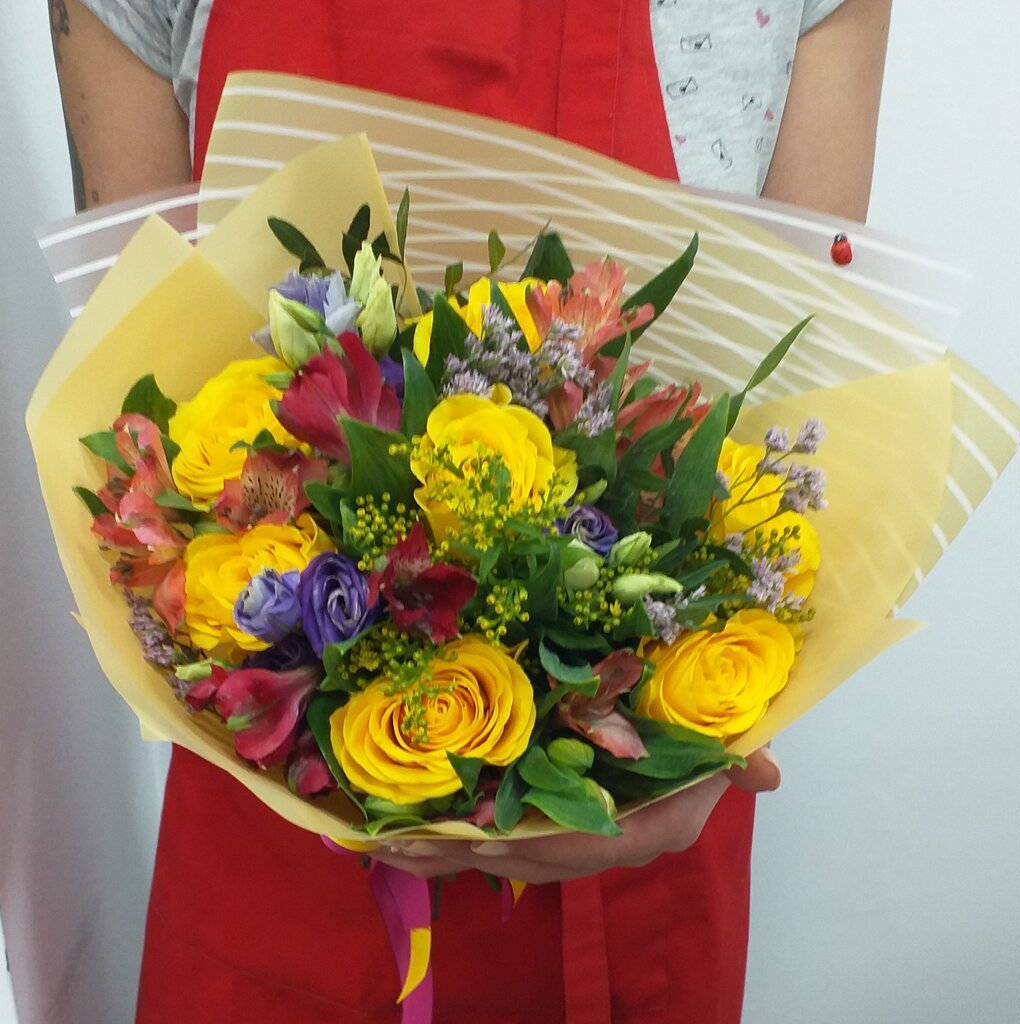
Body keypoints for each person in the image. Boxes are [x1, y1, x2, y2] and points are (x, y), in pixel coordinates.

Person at [49, 2, 890, 1022]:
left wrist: (706, 762)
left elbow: (798, 446)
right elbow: (138, 448)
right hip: (278, 836)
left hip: (636, 840)